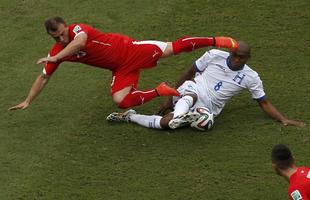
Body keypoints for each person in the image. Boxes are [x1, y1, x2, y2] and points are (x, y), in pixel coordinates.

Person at [8, 16, 238, 111]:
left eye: (60, 33)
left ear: (65, 26)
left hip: (132, 50)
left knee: (173, 47)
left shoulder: (78, 30)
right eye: (55, 38)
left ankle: (215, 40)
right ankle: (160, 90)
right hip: (120, 69)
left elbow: (80, 43)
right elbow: (44, 76)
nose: (60, 39)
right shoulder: (58, 51)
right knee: (121, 101)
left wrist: (57, 56)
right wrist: (28, 100)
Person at [106, 41, 305, 129]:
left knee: (168, 125)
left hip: (209, 107)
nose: (236, 59)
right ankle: (180, 114)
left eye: (241, 57)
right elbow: (189, 73)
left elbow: (263, 102)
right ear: (231, 52)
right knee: (189, 95)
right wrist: (169, 98)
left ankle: (132, 117)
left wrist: (283, 119)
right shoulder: (214, 55)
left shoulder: (251, 77)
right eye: (234, 55)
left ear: (248, 58)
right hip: (192, 89)